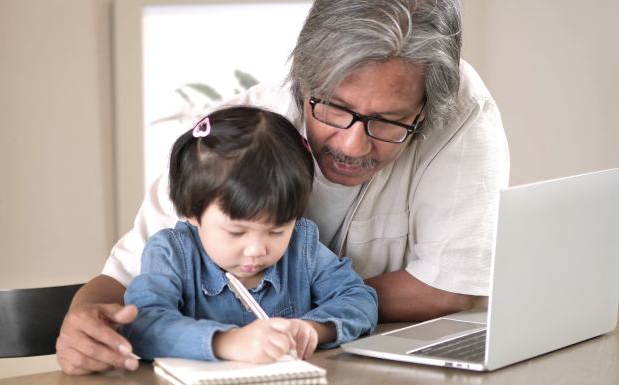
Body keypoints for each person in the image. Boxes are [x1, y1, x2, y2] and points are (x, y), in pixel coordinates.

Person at [57, 0, 509, 374]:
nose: (353, 144)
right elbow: (128, 294)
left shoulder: (304, 247)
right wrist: (229, 337)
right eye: (333, 108)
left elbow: (444, 287)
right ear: (302, 82)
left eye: (389, 122)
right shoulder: (224, 153)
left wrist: (309, 327)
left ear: (425, 112)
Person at [121, 106, 377, 363]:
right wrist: (227, 342)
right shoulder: (171, 253)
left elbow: (360, 299)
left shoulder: (302, 246)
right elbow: (143, 324)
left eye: (277, 230)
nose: (257, 249)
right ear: (192, 212)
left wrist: (313, 329)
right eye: (236, 231)